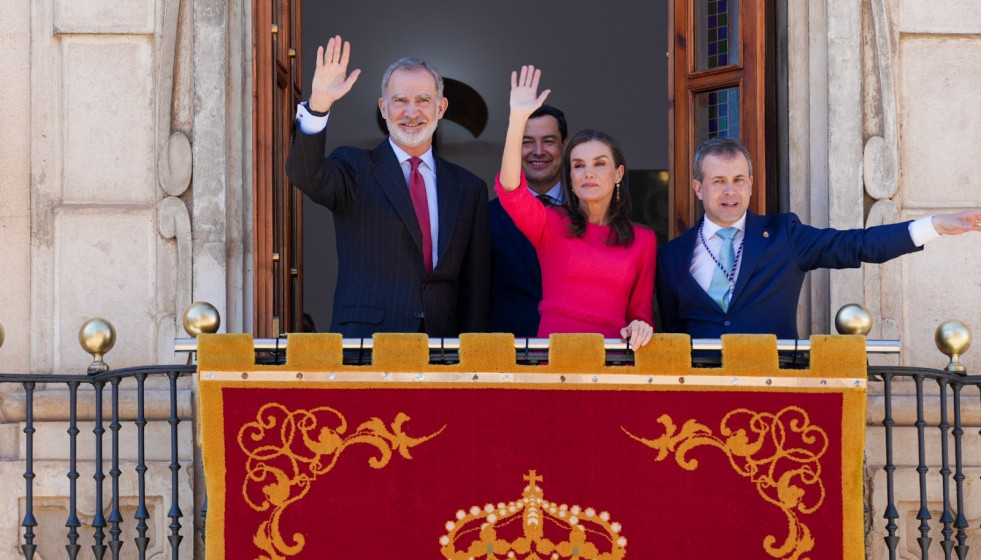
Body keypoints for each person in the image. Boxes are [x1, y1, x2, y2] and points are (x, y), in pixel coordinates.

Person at [656, 136, 981, 339]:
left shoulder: (785, 235)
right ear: (699, 188)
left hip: (774, 392)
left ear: (751, 184)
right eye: (719, 181)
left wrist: (935, 225)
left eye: (739, 179)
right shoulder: (671, 256)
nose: (730, 191)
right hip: (699, 398)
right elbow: (672, 335)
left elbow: (858, 244)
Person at [286, 36, 489, 338]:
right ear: (383, 108)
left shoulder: (470, 188)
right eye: (399, 100)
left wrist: (473, 354)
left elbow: (475, 288)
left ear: (441, 107)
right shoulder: (355, 167)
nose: (411, 112)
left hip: (443, 350)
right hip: (367, 347)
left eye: (423, 100)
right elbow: (306, 175)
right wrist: (318, 106)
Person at [495, 66, 656, 350]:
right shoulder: (550, 224)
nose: (588, 173)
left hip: (612, 365)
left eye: (599, 164)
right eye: (578, 165)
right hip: (554, 363)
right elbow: (511, 189)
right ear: (570, 176)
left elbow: (640, 314)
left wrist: (641, 325)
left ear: (618, 173)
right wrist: (517, 119)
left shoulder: (643, 240)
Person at [489, 104, 568, 336]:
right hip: (508, 353)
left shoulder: (589, 213)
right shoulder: (486, 217)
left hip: (577, 350)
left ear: (565, 146)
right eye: (527, 142)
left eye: (549, 141)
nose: (538, 151)